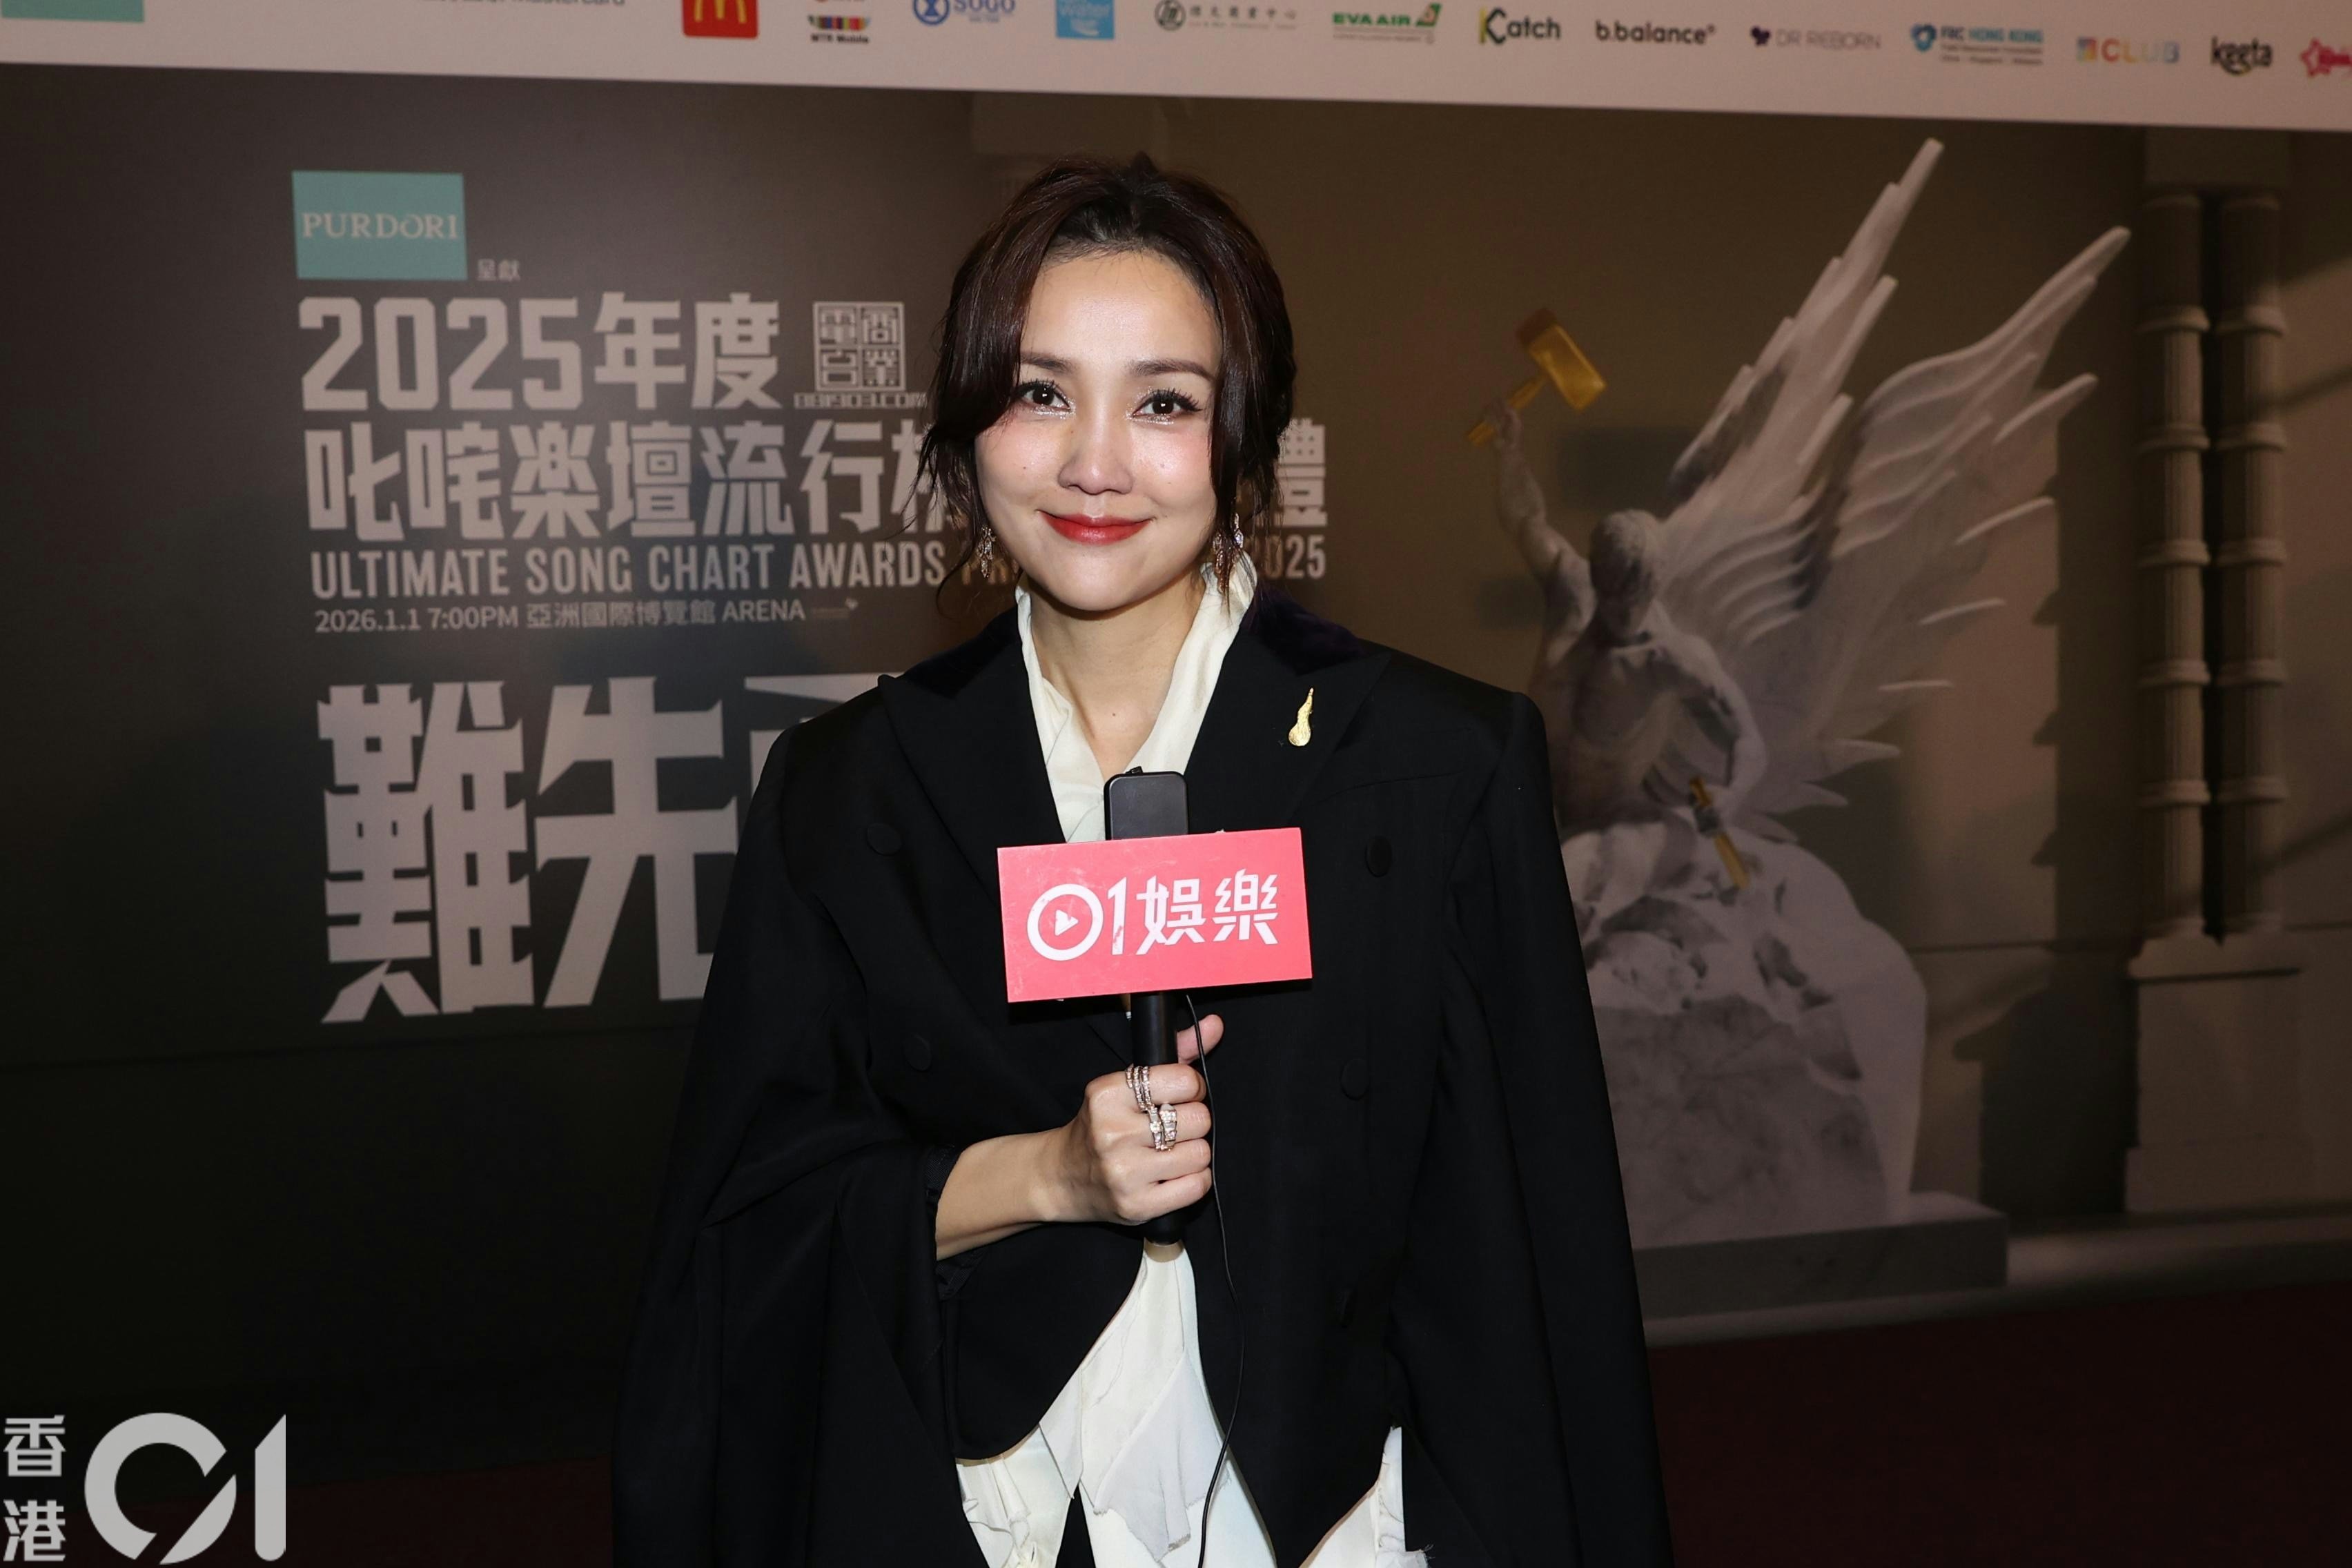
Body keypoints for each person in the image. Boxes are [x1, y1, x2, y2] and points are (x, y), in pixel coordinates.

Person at [611, 154, 1672, 1568]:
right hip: (985, 1508)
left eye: (1163, 401)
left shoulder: (1433, 768)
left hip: (1332, 1523)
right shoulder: (851, 789)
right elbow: (748, 1232)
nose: (1096, 462)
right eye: (1040, 392)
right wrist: (1048, 1174)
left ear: (1246, 435)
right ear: (967, 428)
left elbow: (1533, 1252)